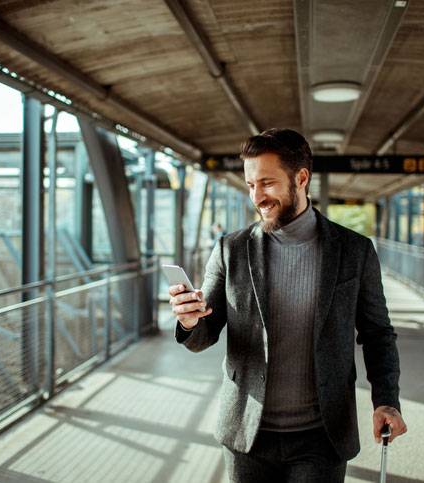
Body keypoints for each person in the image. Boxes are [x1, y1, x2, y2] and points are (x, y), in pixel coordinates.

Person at [169, 128, 406, 482]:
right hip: (247, 434)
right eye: (250, 185)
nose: (257, 196)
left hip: (322, 436)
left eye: (267, 182)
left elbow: (377, 334)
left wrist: (386, 401)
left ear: (302, 178)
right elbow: (204, 335)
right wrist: (189, 321)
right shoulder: (230, 250)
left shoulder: (355, 251)